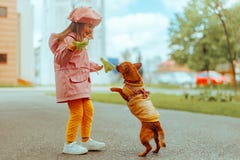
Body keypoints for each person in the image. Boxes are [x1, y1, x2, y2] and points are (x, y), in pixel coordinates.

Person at [48, 7, 105, 155]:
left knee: (88, 110)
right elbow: (60, 60)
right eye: (89, 26)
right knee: (77, 113)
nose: (91, 30)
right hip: (70, 83)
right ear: (80, 24)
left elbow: (81, 63)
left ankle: (86, 140)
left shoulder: (80, 41)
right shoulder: (68, 39)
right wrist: (70, 48)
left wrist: (96, 66)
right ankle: (69, 143)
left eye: (92, 27)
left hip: (80, 82)